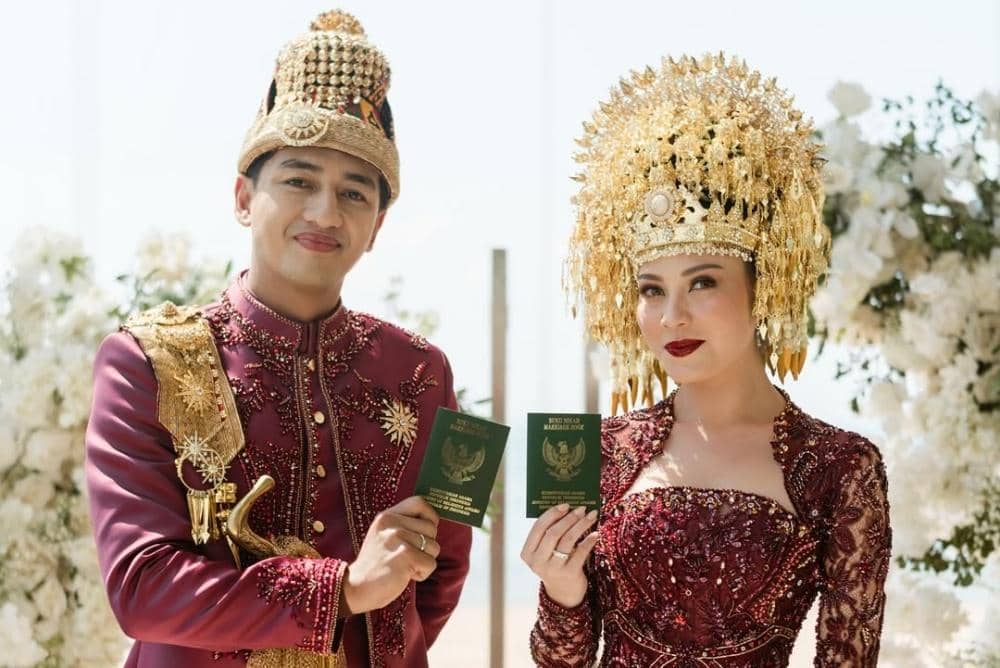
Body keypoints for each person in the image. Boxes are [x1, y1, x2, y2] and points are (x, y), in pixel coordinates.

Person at [85, 10, 471, 667]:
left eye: (354, 194)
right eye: (298, 181)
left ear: (377, 227)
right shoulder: (144, 362)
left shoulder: (425, 372)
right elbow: (142, 588)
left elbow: (445, 571)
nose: (325, 212)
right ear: (243, 197)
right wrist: (343, 590)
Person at [522, 54, 891, 666]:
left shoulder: (839, 468)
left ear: (760, 288)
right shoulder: (602, 453)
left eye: (702, 282)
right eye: (651, 289)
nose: (672, 317)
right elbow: (562, 662)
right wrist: (562, 589)